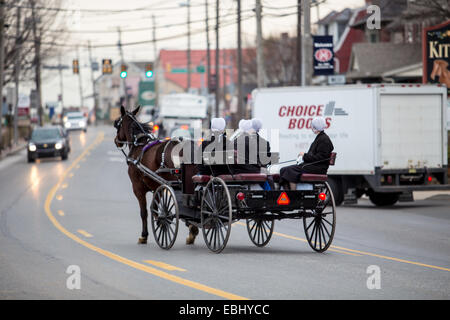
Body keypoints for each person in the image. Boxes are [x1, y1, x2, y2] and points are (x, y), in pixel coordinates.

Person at [279, 116, 334, 190]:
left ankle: (293, 195)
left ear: (316, 126)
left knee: (290, 170)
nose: (311, 128)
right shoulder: (320, 138)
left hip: (317, 168)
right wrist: (304, 156)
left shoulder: (324, 140)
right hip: (313, 165)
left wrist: (304, 155)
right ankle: (287, 194)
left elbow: (320, 158)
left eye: (313, 126)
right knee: (283, 170)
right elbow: (316, 156)